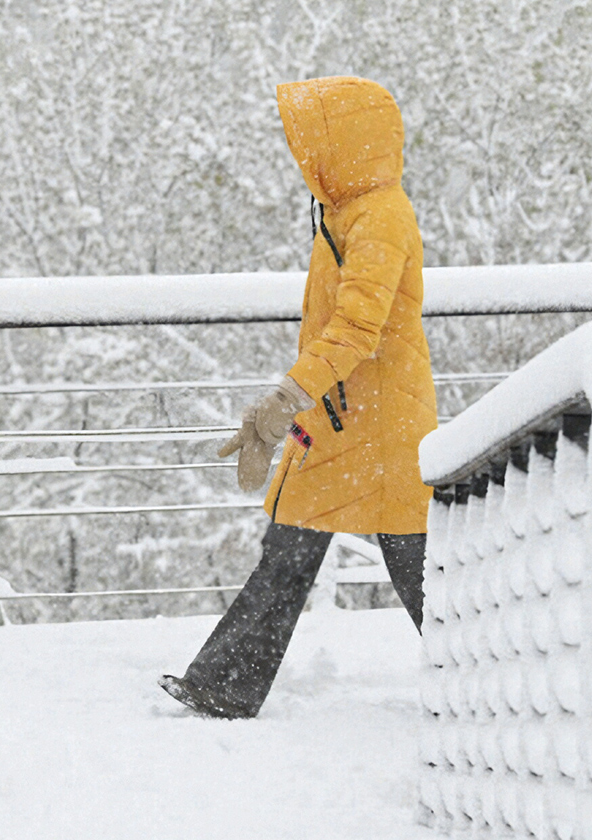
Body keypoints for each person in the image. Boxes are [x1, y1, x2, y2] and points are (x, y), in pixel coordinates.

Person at [159, 76, 436, 720]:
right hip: (341, 421)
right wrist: (294, 401)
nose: (301, 154)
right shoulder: (345, 212)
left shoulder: (381, 215)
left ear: (342, 144)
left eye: (310, 140)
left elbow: (359, 328)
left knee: (417, 568)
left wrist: (287, 394)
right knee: (288, 550)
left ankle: (496, 685)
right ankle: (223, 686)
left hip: (384, 428)